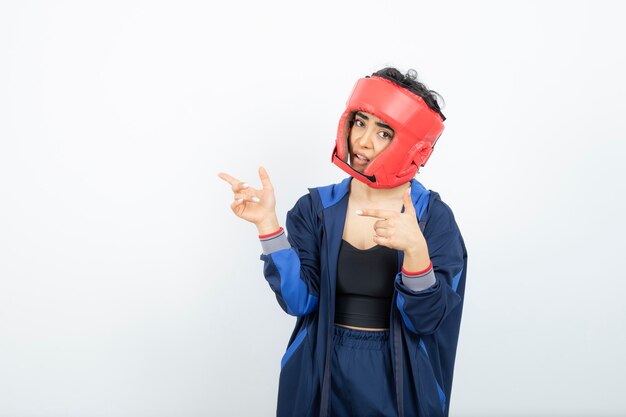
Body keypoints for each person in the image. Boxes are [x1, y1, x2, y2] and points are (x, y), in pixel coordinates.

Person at [218, 67, 467, 417]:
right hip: (323, 367)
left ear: (416, 149)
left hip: (397, 376)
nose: (362, 141)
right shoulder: (316, 210)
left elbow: (428, 322)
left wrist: (416, 252)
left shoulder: (432, 219)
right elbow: (299, 301)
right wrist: (269, 227)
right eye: (360, 122)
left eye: (383, 133)